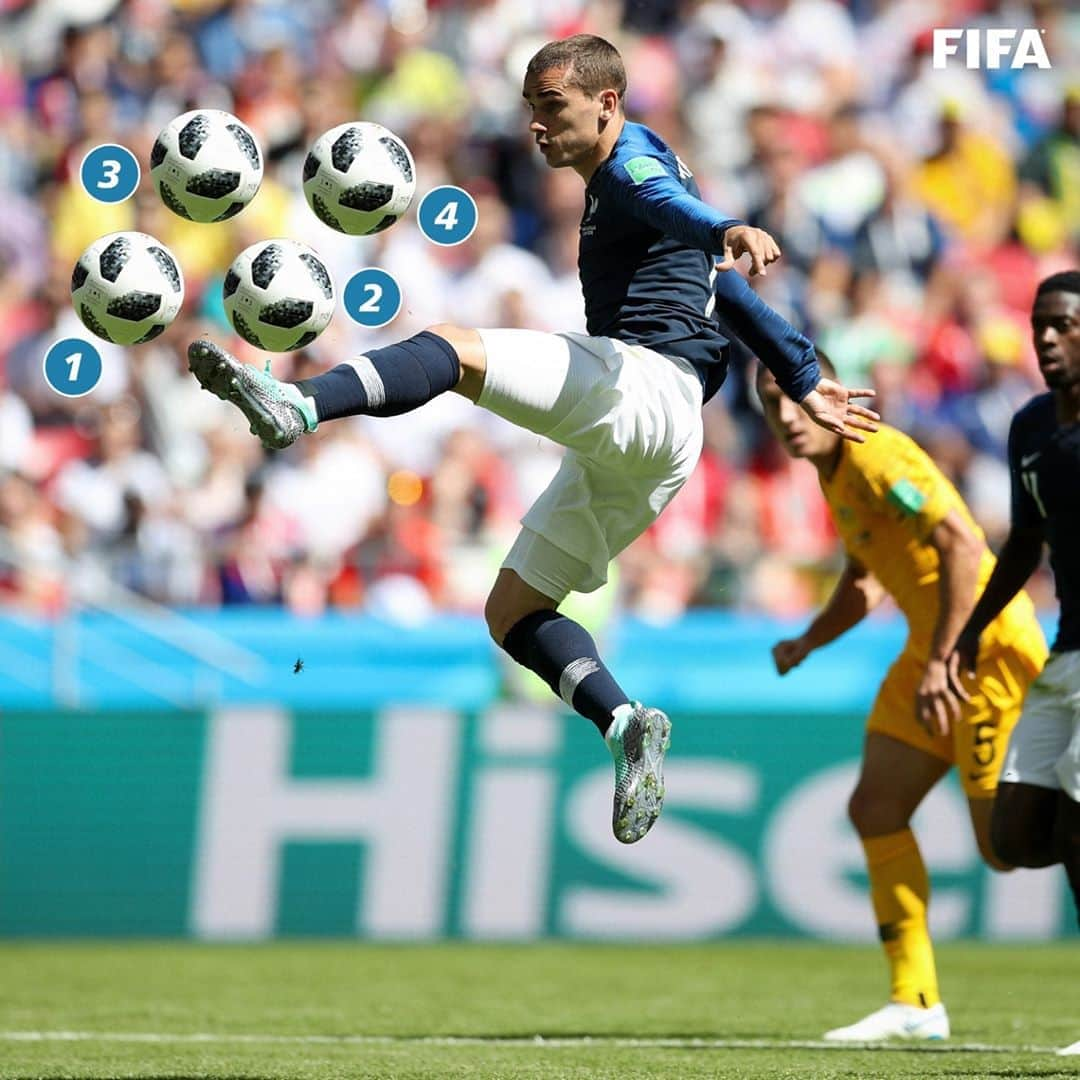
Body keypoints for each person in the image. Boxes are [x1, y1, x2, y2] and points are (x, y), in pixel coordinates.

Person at [188, 34, 876, 845]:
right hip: (668, 440)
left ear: (607, 104)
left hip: (642, 388)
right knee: (513, 609)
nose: (538, 128)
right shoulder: (629, 188)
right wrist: (800, 372)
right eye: (531, 111)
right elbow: (723, 294)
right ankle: (623, 721)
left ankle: (296, 405)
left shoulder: (634, 166)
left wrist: (721, 226)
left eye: (553, 107)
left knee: (454, 348)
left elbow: (668, 207)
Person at [758, 350, 1047, 1042]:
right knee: (875, 807)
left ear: (829, 391)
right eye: (770, 403)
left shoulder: (877, 454)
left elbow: (962, 548)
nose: (786, 417)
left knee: (1005, 847)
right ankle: (915, 1001)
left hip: (984, 650)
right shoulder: (834, 473)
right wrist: (808, 641)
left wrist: (947, 657)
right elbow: (866, 577)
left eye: (795, 397)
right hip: (933, 651)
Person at [948, 270, 1080, 1058]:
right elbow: (1025, 541)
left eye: (1064, 326)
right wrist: (971, 630)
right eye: (1040, 328)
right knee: (1020, 836)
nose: (1048, 340)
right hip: (1065, 653)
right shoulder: (1031, 426)